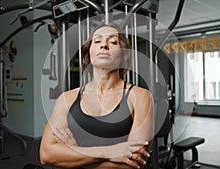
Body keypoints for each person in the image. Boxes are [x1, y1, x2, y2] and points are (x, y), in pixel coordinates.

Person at [40, 23, 153, 169]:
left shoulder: (140, 97)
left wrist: (74, 152)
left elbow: (133, 163)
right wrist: (110, 152)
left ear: (124, 55)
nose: (104, 45)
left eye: (112, 42)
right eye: (97, 41)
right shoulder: (66, 99)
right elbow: (46, 154)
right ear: (89, 53)